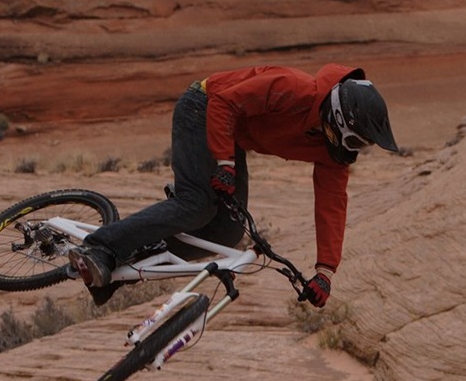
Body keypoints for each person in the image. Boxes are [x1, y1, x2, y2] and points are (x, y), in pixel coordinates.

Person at [69, 64, 398, 308]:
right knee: (198, 202)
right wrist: (224, 163)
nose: (354, 149)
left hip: (233, 138)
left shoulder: (331, 152)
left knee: (226, 233)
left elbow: (332, 205)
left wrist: (326, 270)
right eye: (355, 140)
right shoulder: (294, 88)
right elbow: (225, 103)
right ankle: (100, 247)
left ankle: (114, 269)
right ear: (340, 118)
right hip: (205, 106)